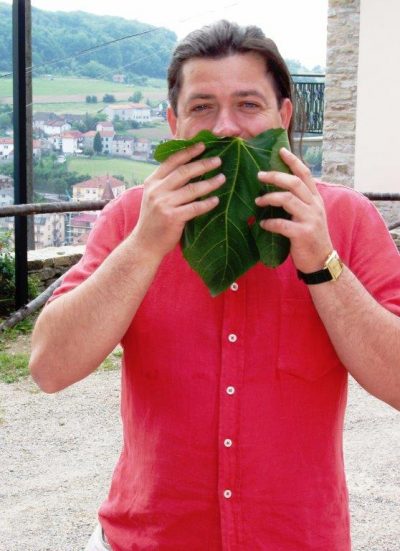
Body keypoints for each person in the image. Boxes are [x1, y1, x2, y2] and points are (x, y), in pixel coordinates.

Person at [29, 20, 400, 551]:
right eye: (203, 107)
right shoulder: (132, 218)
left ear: (284, 116)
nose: (226, 128)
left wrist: (322, 262)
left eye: (248, 105)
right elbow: (47, 368)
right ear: (174, 121)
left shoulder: (347, 219)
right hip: (145, 539)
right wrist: (144, 246)